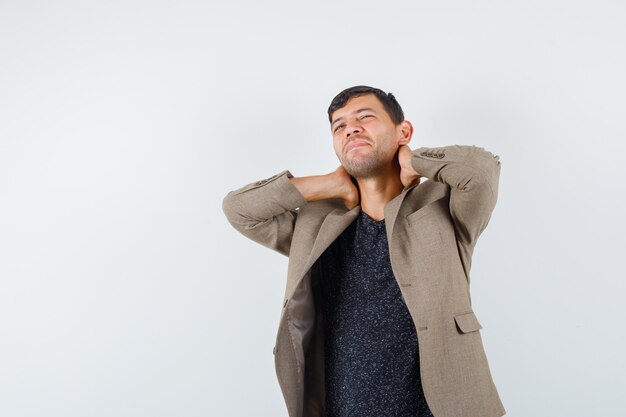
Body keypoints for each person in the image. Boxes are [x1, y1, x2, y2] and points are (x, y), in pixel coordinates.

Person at [222, 85, 506, 417]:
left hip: (441, 407)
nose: (350, 128)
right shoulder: (317, 223)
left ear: (404, 131)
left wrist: (415, 161)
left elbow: (481, 172)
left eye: (365, 117)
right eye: (339, 126)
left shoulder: (442, 204)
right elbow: (239, 209)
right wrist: (326, 184)